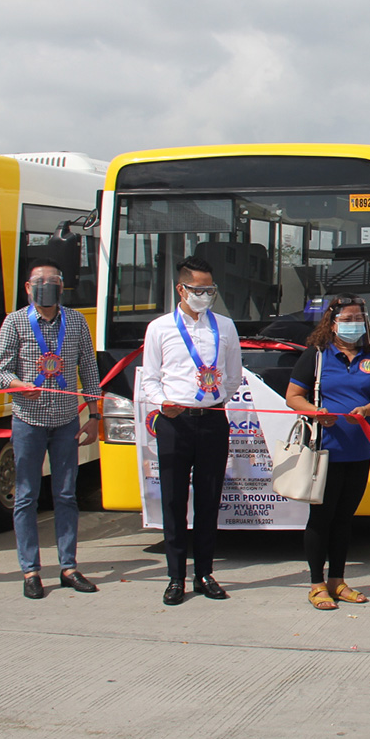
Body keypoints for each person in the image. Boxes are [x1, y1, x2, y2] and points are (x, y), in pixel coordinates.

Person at [135, 256, 243, 606]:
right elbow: (150, 378)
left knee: (209, 500)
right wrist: (163, 402)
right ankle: (175, 576)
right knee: (173, 500)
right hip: (174, 421)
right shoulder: (160, 328)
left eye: (209, 290)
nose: (204, 295)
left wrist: (214, 399)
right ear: (181, 289)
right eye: (197, 290)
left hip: (211, 419)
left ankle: (205, 574)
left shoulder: (224, 326)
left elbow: (232, 375)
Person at [0, 260, 103, 600]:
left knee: (66, 494)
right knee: (26, 496)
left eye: (52, 280)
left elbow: (88, 367)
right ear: (28, 287)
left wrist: (96, 415)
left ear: (62, 285)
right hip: (29, 419)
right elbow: (1, 371)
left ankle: (68, 566)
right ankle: (31, 570)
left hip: (67, 420)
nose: (46, 286)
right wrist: (18, 385)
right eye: (39, 281)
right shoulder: (14, 323)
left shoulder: (76, 321)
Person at [285, 294, 370, 611]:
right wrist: (316, 412)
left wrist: (368, 408)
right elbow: (293, 396)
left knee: (345, 519)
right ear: (331, 324)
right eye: (346, 320)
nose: (353, 325)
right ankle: (316, 584)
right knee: (321, 518)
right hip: (324, 452)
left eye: (358, 319)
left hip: (359, 451)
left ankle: (338, 580)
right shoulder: (317, 356)